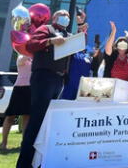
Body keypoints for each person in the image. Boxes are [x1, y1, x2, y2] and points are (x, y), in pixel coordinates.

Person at [16, 10, 83, 168]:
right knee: (37, 120)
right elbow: (30, 45)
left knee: (49, 122)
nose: (66, 17)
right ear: (54, 17)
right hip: (43, 77)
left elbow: (78, 46)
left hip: (59, 79)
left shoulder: (68, 34)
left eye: (68, 15)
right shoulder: (46, 29)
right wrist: (50, 41)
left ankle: (40, 161)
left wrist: (80, 28)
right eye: (62, 14)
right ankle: (24, 164)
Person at [101, 22, 128, 101]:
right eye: (120, 42)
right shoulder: (112, 56)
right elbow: (108, 49)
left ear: (127, 46)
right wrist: (113, 32)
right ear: (116, 45)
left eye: (124, 42)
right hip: (110, 88)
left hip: (126, 89)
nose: (122, 43)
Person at [0, 54, 31, 151]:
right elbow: (21, 61)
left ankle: (24, 143)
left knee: (27, 116)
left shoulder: (35, 58)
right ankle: (4, 142)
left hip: (31, 89)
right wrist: (29, 52)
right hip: (19, 89)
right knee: (10, 116)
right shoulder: (21, 56)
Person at [60, 11, 91, 100]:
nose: (83, 40)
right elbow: (79, 35)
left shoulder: (88, 56)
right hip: (70, 87)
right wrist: (80, 24)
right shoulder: (73, 52)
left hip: (83, 89)